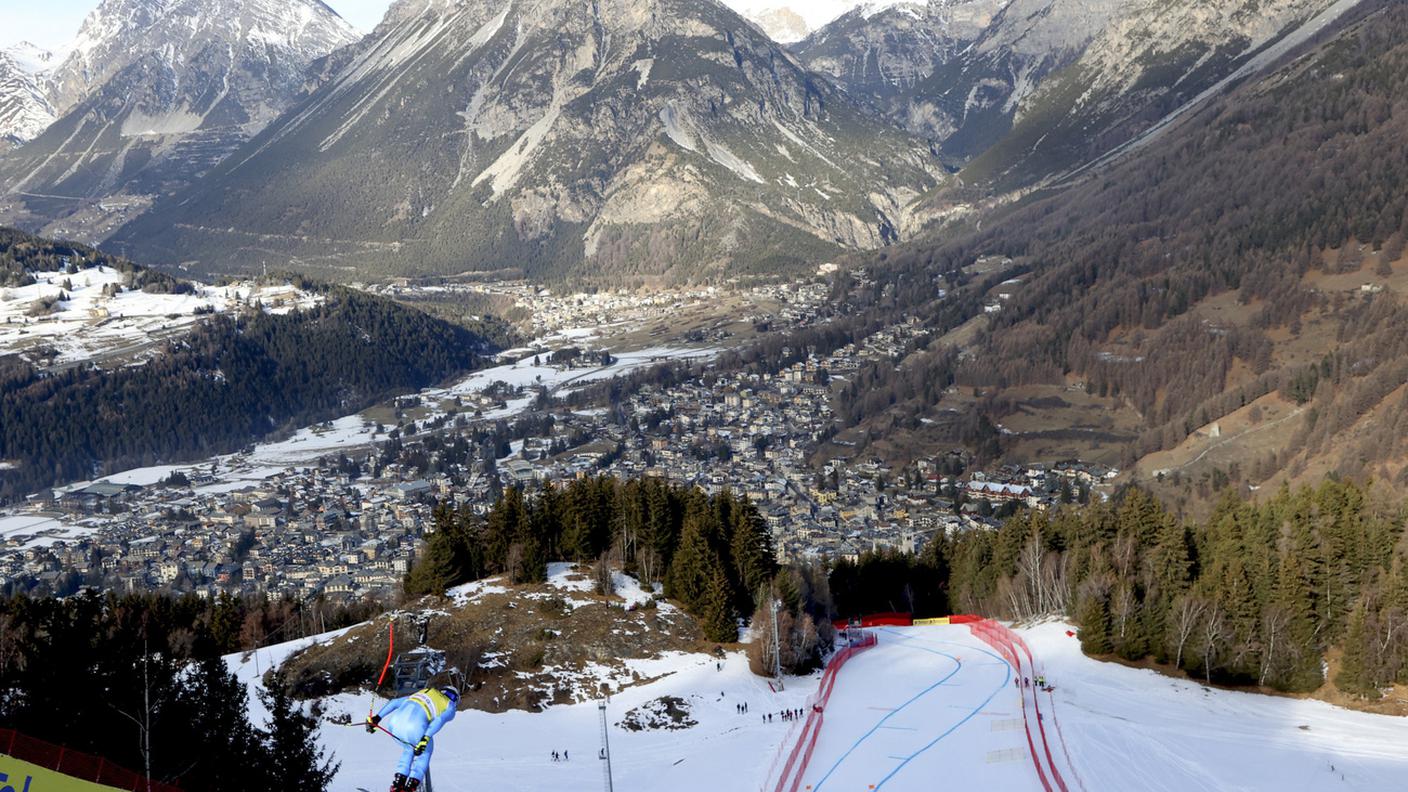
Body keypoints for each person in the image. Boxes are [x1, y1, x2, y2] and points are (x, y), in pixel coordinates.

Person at [366, 684, 460, 792]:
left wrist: (377, 718)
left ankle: (397, 784)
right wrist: (425, 738)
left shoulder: (425, 691)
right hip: (415, 728)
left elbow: (394, 703)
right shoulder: (450, 705)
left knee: (409, 748)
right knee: (425, 752)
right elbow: (439, 720)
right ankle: (410, 787)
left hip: (394, 725)